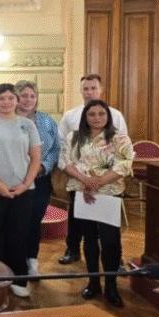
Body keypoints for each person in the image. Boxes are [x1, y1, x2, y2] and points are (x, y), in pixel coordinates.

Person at [62, 100, 133, 308]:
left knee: (111, 241)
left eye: (101, 114)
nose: (96, 118)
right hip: (82, 194)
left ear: (108, 116)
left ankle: (111, 285)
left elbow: (125, 164)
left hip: (109, 194)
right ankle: (94, 282)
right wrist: (86, 181)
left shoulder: (119, 138)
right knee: (89, 240)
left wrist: (99, 182)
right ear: (85, 116)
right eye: (91, 114)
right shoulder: (74, 137)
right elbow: (65, 162)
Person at [0, 83, 42, 298]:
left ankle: (18, 277)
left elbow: (36, 158)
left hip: (23, 189)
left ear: (17, 101)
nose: (6, 102)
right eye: (2, 98)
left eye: (10, 98)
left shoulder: (27, 125)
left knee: (18, 234)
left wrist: (24, 184)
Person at [58, 74, 129, 265]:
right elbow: (64, 149)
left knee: (109, 231)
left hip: (109, 186)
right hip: (80, 184)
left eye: (93, 88)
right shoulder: (70, 116)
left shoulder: (115, 115)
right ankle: (73, 250)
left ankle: (116, 261)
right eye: (86, 88)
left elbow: (123, 151)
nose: (90, 92)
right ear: (81, 91)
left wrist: (99, 181)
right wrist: (85, 180)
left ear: (100, 90)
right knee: (78, 222)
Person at [15, 80, 60, 276]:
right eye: (24, 95)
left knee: (34, 221)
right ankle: (14, 263)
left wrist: (42, 167)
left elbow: (55, 148)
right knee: (15, 222)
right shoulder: (6, 119)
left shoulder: (47, 121)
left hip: (40, 179)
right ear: (16, 97)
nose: (28, 100)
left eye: (32, 96)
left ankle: (31, 260)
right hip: (14, 179)